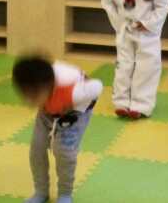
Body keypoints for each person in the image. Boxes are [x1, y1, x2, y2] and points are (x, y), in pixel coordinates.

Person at [13, 55, 103, 203]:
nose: (29, 100)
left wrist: (75, 98)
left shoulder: (71, 91)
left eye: (33, 96)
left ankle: (65, 194)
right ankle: (41, 192)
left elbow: (97, 86)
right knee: (37, 148)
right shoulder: (38, 84)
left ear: (48, 86)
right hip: (48, 110)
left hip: (74, 114)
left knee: (64, 152)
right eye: (26, 95)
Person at [101, 0, 168, 119]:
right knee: (123, 66)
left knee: (146, 68)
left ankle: (141, 105)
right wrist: (119, 23)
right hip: (125, 31)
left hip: (146, 34)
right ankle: (121, 102)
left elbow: (164, 6)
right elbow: (107, 4)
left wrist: (147, 23)